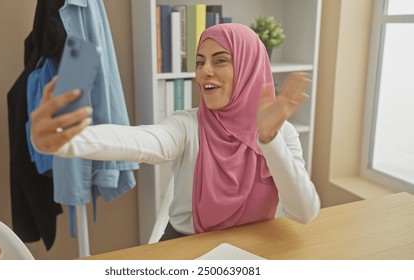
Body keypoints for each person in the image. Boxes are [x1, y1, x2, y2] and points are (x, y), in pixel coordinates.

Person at [30, 23, 320, 241]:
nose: (204, 71)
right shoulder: (187, 125)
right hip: (184, 245)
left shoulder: (282, 134)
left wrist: (269, 141)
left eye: (220, 60)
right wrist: (68, 140)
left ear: (249, 69)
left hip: (253, 249)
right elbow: (143, 141)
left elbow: (305, 212)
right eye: (199, 61)